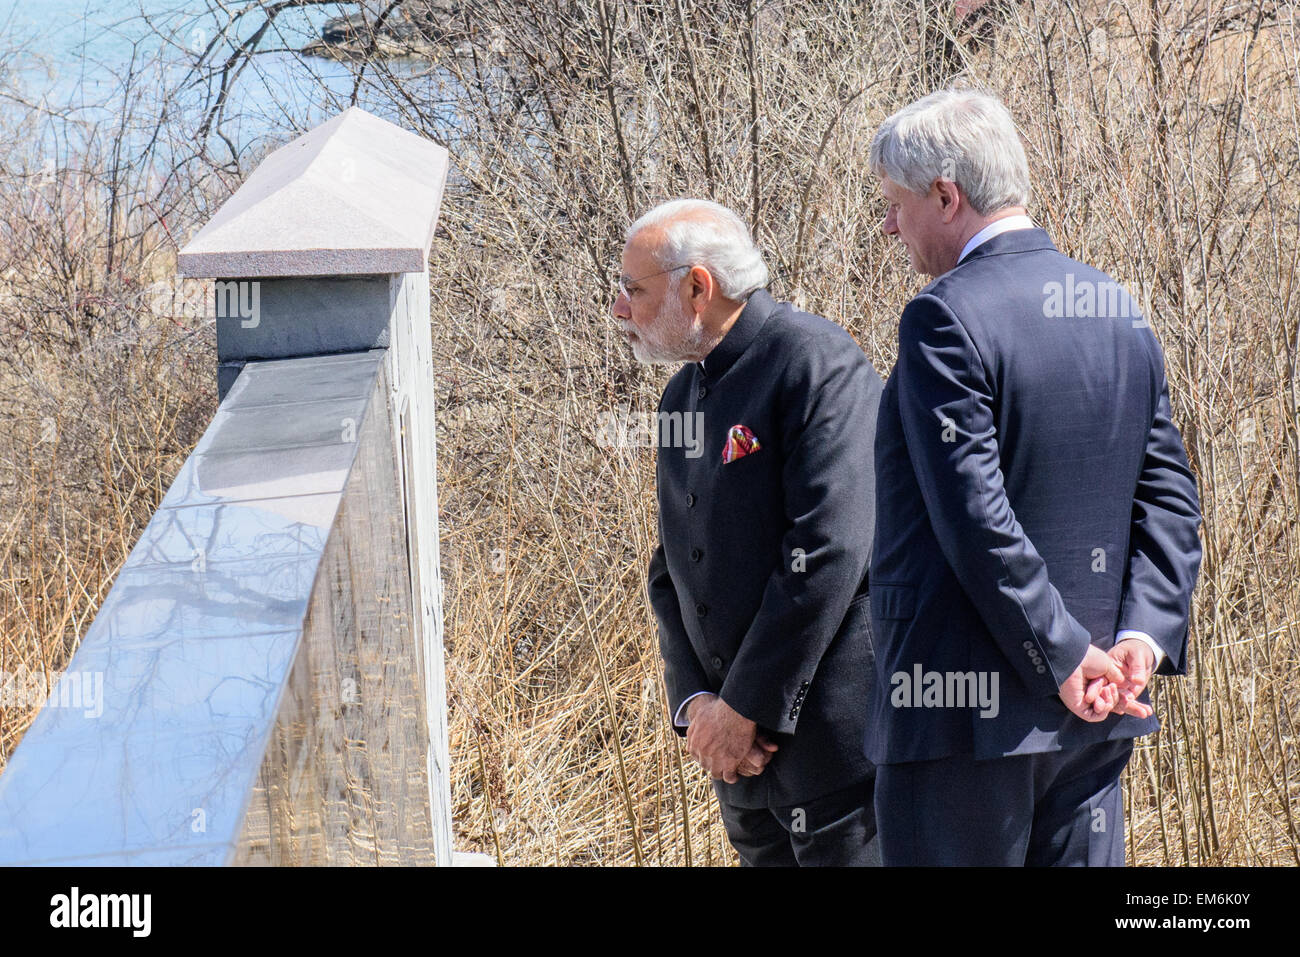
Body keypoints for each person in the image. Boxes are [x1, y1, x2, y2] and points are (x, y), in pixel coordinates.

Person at [866, 88, 1203, 865]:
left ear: (946, 196)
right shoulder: (1115, 308)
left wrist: (1062, 657)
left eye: (895, 204)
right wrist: (1137, 640)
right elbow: (1172, 500)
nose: (891, 226)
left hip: (964, 732)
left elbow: (975, 516)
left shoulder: (942, 319)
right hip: (1095, 717)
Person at [613, 198, 884, 865]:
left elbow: (827, 551)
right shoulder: (680, 397)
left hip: (839, 761)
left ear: (697, 286)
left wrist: (745, 709)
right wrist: (696, 705)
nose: (619, 309)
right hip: (741, 769)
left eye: (633, 290)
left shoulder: (814, 362)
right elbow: (668, 566)